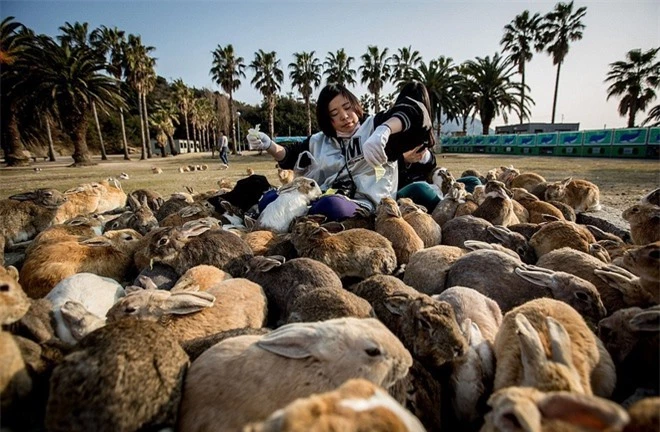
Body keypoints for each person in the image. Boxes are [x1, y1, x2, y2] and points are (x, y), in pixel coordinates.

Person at [247, 83, 432, 221]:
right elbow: (288, 156)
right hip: (319, 197)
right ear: (327, 120)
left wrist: (384, 131)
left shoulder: (374, 125)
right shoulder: (318, 140)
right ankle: (298, 215)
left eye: (347, 107)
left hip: (367, 204)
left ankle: (295, 217)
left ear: (355, 105)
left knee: (331, 206)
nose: (344, 116)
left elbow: (417, 113)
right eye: (334, 114)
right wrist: (269, 144)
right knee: (269, 198)